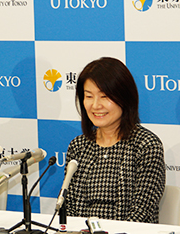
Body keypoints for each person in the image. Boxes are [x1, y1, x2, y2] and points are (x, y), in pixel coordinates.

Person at [65, 57, 165, 223]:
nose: (95, 105)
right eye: (89, 96)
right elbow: (69, 209)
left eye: (104, 97)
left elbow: (142, 213)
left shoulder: (146, 145)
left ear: (124, 98)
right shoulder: (79, 146)